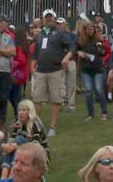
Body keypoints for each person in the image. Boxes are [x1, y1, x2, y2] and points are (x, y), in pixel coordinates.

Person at [30, 10, 75, 138]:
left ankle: (52, 127)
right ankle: (35, 126)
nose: (48, 19)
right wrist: (32, 66)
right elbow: (36, 53)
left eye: (50, 17)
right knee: (37, 98)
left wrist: (67, 58)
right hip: (41, 71)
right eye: (46, 17)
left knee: (56, 99)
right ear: (43, 19)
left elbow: (72, 46)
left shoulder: (61, 33)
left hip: (56, 70)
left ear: (54, 18)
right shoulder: (40, 35)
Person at [0, 100, 48, 178]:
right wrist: (5, 146)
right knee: (14, 141)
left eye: (24, 110)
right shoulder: (18, 124)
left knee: (19, 139)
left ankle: (11, 177)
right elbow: (11, 141)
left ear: (30, 111)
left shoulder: (35, 125)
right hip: (21, 156)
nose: (20, 113)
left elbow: (36, 148)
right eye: (19, 110)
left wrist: (17, 147)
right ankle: (4, 177)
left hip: (38, 158)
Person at [76, 21, 109, 121]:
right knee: (89, 91)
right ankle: (90, 113)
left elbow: (104, 52)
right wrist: (78, 52)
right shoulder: (81, 41)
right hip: (86, 69)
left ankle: (104, 112)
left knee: (99, 90)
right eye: (88, 29)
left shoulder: (98, 40)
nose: (91, 31)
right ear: (85, 30)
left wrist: (101, 46)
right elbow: (74, 49)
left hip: (97, 68)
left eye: (92, 29)